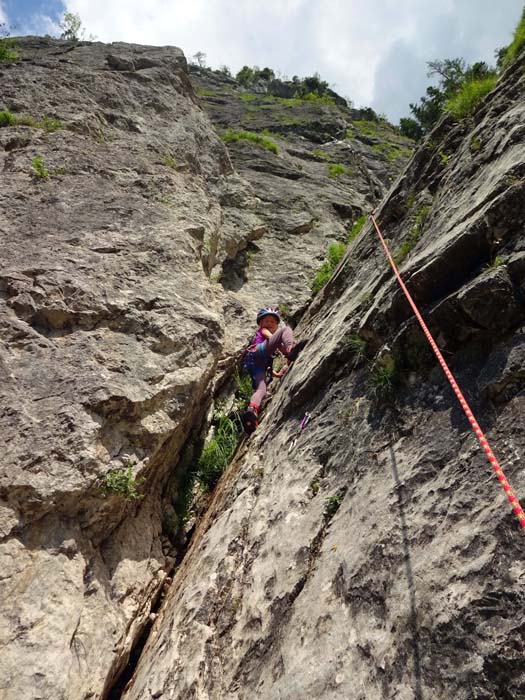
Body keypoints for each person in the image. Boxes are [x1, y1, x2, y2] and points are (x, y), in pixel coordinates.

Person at [241, 307, 306, 434]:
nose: (269, 324)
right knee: (286, 329)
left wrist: (277, 374)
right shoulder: (263, 331)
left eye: (273, 322)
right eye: (266, 321)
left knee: (262, 389)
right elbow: (271, 337)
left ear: (276, 324)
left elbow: (270, 361)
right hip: (258, 352)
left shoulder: (269, 341)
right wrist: (288, 348)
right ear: (260, 324)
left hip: (256, 365)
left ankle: (252, 411)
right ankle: (290, 347)